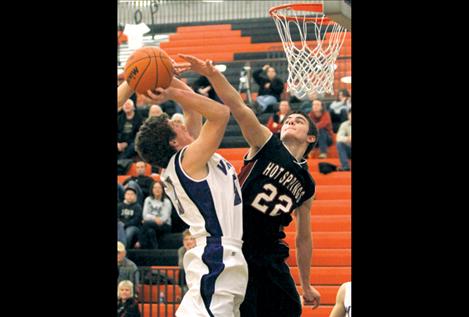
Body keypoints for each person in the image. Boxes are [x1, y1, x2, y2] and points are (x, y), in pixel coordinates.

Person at [179, 54, 321, 317]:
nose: (291, 120)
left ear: (311, 137)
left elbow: (303, 237)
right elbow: (237, 105)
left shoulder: (307, 184)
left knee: (291, 309)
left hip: (271, 252)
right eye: (288, 119)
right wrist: (212, 73)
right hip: (239, 245)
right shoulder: (267, 143)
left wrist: (307, 283)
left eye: (298, 121)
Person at [133, 69, 248, 317]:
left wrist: (166, 76)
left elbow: (192, 108)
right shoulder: (186, 161)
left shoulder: (186, 158)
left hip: (221, 255)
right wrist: (171, 92)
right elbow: (219, 114)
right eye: (174, 125)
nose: (179, 121)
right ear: (174, 141)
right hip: (217, 256)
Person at [138, 180, 173, 249]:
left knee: (146, 224)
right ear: (152, 189)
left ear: (162, 190)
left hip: (165, 225)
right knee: (150, 231)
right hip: (151, 224)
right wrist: (154, 219)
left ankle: (140, 242)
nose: (157, 190)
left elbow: (164, 218)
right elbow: (144, 215)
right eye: (155, 188)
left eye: (159, 188)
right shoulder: (148, 200)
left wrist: (149, 219)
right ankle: (155, 248)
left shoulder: (167, 202)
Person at [177, 229, 196, 293]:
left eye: (191, 239)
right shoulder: (181, 250)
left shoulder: (199, 249)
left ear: (195, 241)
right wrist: (188, 251)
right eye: (186, 239)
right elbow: (181, 265)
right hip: (185, 276)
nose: (188, 242)